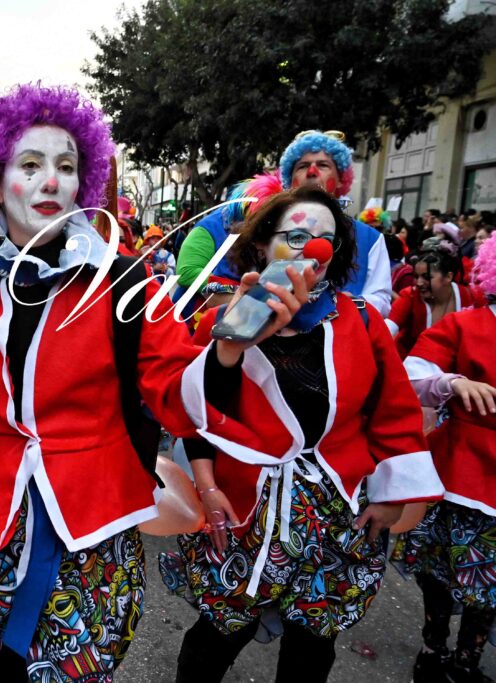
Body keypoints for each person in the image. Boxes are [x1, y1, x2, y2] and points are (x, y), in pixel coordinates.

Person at [0, 83, 315, 681]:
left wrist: (229, 347)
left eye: (66, 167)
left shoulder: (126, 283)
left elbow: (177, 395)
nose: (51, 182)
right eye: (30, 165)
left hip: (93, 537)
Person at [160, 186, 444, 683]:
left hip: (338, 512)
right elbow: (194, 415)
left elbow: (394, 411)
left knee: (312, 645)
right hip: (245, 506)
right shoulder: (228, 318)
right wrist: (207, 486)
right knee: (218, 635)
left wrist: (391, 496)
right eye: (296, 236)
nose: (313, 248)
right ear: (261, 244)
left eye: (325, 240)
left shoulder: (361, 321)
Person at [400, 234, 496, 683]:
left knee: (490, 586)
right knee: (439, 573)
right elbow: (414, 372)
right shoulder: (467, 324)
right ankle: (433, 650)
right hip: (459, 471)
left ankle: (466, 663)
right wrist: (452, 383)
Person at [174, 131, 393, 317]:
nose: (312, 172)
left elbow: (381, 299)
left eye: (323, 165)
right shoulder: (267, 226)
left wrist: (341, 309)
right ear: (289, 178)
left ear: (341, 177)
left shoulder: (370, 239)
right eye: (303, 166)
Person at [386, 243, 487, 358]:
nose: (419, 283)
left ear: (448, 277)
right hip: (411, 364)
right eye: (416, 276)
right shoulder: (410, 296)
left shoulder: (470, 296)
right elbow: (388, 328)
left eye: (426, 277)